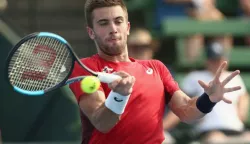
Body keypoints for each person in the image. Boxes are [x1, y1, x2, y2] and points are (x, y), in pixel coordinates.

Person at [69, 0, 242, 143]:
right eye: (103, 23)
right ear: (91, 32)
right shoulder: (86, 68)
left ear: (127, 27)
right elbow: (102, 122)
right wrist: (119, 96)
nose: (113, 28)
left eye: (118, 21)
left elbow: (186, 111)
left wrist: (208, 99)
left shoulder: (156, 68)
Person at [181, 41, 250, 144]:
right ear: (207, 61)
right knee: (216, 139)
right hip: (209, 130)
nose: (218, 63)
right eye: (214, 60)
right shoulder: (194, 77)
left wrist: (242, 110)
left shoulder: (235, 77)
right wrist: (196, 116)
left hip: (236, 129)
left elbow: (243, 96)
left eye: (220, 59)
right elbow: (181, 99)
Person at [127, 27, 180, 144]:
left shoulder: (163, 72)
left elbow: (179, 108)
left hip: (158, 133)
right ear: (128, 48)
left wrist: (160, 129)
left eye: (146, 46)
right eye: (136, 47)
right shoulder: (118, 72)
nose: (142, 50)